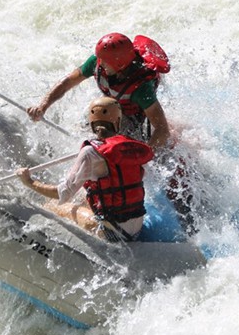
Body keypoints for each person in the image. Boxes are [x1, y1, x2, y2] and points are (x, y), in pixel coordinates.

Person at [17, 97, 154, 242]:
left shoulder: (90, 152)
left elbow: (63, 193)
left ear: (92, 123)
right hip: (136, 229)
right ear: (118, 122)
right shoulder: (130, 147)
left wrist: (29, 182)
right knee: (82, 197)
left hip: (113, 233)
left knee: (52, 204)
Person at [27, 32, 171, 149]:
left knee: (121, 144)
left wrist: (144, 156)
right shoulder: (97, 61)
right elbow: (67, 83)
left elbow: (162, 130)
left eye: (104, 61)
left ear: (119, 65)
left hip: (135, 115)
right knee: (88, 125)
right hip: (112, 105)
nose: (99, 63)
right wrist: (42, 106)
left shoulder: (141, 88)